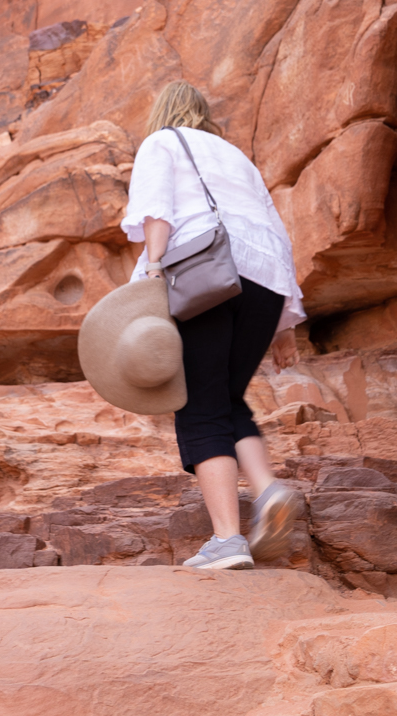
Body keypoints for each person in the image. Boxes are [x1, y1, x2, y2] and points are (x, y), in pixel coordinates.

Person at [122, 81, 308, 570]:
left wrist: (155, 269)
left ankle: (227, 539)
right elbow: (277, 232)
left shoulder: (161, 142)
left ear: (164, 111)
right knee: (226, 397)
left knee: (199, 406)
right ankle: (267, 490)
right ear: (204, 115)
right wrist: (286, 323)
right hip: (266, 283)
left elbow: (157, 212)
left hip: (202, 275)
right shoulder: (238, 159)